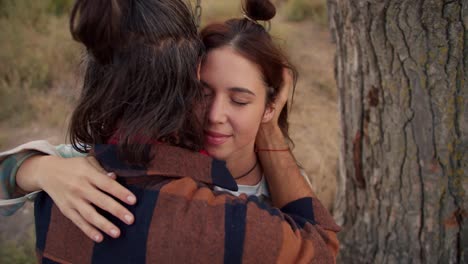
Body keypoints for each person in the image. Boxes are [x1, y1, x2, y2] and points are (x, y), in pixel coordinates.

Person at [1, 0, 340, 262]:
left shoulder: (286, 190)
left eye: (239, 100)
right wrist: (38, 168)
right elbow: (322, 248)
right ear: (181, 85)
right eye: (202, 93)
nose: (215, 115)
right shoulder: (88, 173)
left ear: (270, 105)